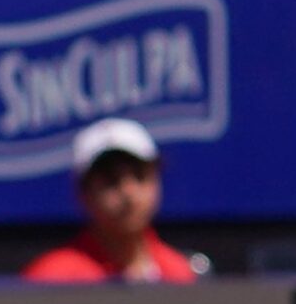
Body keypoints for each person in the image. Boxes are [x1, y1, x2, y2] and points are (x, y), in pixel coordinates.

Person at [24, 118, 198, 285]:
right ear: (83, 192)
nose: (128, 193)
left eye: (139, 176)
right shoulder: (52, 277)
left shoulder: (178, 272)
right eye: (111, 181)